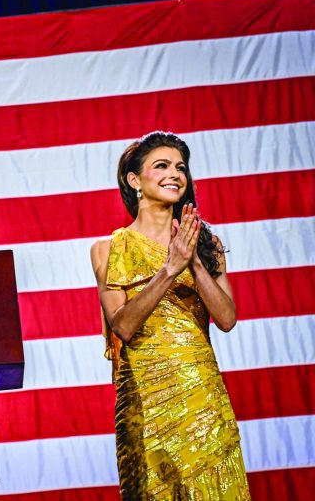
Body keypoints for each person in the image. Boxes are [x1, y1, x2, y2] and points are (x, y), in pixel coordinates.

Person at [89, 131, 250, 499]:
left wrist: (192, 261)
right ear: (135, 181)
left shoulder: (207, 244)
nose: (175, 174)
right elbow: (124, 326)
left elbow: (226, 319)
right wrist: (169, 269)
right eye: (161, 165)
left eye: (181, 167)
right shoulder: (108, 250)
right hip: (145, 402)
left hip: (202, 396)